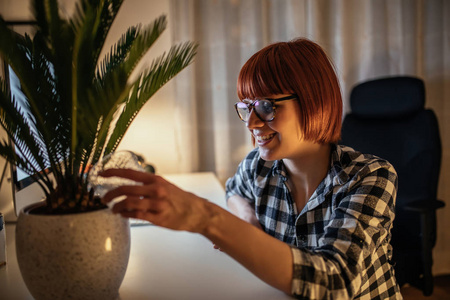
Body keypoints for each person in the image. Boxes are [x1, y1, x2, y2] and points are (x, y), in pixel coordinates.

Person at [101, 38, 402, 299]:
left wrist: (207, 218)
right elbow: (234, 190)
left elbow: (336, 283)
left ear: (314, 102)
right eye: (246, 107)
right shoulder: (257, 166)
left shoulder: (370, 177)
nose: (251, 123)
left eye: (267, 107)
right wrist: (246, 218)